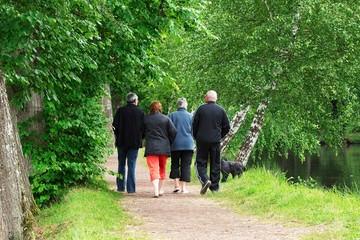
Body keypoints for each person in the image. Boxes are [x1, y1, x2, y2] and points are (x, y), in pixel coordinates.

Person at [192, 90, 230, 194]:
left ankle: (205, 180)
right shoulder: (221, 110)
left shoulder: (200, 109)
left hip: (202, 140)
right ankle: (214, 188)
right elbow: (227, 126)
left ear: (206, 98)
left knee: (200, 162)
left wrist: (196, 137)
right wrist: (219, 136)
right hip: (215, 141)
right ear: (215, 99)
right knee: (215, 163)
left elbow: (194, 125)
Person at [142, 101, 177, 198]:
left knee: (153, 169)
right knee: (162, 168)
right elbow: (173, 131)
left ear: (151, 108)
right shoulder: (166, 119)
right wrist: (169, 142)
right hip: (164, 147)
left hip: (151, 147)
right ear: (160, 108)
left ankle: (156, 191)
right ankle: (161, 189)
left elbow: (141, 132)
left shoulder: (145, 119)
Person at [112, 92, 145, 193]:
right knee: (132, 165)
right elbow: (144, 128)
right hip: (134, 142)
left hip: (122, 141)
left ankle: (120, 186)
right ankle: (131, 189)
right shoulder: (140, 112)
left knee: (121, 164)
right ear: (135, 101)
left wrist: (118, 135)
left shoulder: (120, 111)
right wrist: (140, 138)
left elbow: (114, 126)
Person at [168, 98, 194, 194]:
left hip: (175, 144)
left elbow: (168, 130)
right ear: (185, 105)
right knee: (186, 165)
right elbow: (194, 131)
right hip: (188, 144)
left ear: (177, 105)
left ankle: (176, 185)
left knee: (174, 163)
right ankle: (183, 188)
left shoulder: (171, 116)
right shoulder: (191, 117)